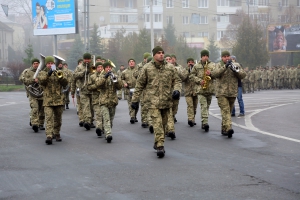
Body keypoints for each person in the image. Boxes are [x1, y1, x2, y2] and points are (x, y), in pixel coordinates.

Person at [131, 46, 181, 158]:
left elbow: (177, 80)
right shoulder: (147, 68)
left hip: (167, 101)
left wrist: (177, 90)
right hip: (153, 102)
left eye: (163, 53)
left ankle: (157, 141)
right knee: (157, 124)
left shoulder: (170, 68)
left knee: (163, 125)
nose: (161, 55)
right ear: (154, 55)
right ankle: (160, 146)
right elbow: (139, 85)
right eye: (158, 53)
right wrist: (135, 100)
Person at [210, 51, 246, 138]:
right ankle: (229, 128)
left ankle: (224, 129)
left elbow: (243, 75)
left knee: (228, 112)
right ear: (222, 58)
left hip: (232, 93)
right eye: (224, 56)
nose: (226, 58)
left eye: (228, 56)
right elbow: (214, 74)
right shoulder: (218, 65)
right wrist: (225, 67)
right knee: (225, 111)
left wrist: (235, 71)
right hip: (221, 93)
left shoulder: (235, 64)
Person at [37, 56, 68, 144]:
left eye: (52, 63)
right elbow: (41, 81)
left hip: (58, 100)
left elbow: (65, 84)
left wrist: (61, 78)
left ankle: (57, 133)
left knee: (58, 119)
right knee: (49, 118)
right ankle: (49, 135)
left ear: (54, 64)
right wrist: (49, 73)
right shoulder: (42, 73)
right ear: (46, 65)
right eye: (48, 64)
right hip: (48, 100)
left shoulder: (60, 72)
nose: (50, 65)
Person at [95, 62, 123, 143]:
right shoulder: (101, 75)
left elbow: (120, 86)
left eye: (109, 67)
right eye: (106, 67)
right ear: (104, 68)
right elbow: (97, 84)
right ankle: (108, 134)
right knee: (106, 118)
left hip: (113, 101)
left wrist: (116, 80)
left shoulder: (115, 75)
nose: (108, 68)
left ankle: (106, 129)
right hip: (104, 101)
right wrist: (105, 77)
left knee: (110, 119)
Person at [190, 50, 215, 132]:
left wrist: (211, 73)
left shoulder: (213, 65)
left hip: (210, 89)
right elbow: (191, 76)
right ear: (201, 57)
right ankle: (205, 123)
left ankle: (204, 121)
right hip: (200, 90)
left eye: (207, 55)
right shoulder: (196, 66)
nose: (205, 57)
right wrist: (199, 81)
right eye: (204, 56)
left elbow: (217, 74)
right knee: (203, 106)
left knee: (207, 107)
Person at [20, 58, 45, 132]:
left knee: (41, 109)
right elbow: (21, 79)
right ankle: (35, 124)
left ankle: (41, 123)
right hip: (32, 93)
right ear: (32, 64)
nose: (36, 65)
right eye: (34, 63)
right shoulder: (27, 71)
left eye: (37, 63)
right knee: (35, 108)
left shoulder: (42, 71)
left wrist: (40, 80)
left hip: (41, 93)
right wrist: (32, 80)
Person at [73, 53, 95, 130]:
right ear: (83, 59)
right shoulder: (79, 67)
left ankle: (91, 121)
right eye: (85, 59)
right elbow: (74, 76)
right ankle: (87, 121)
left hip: (92, 90)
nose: (87, 61)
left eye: (88, 59)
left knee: (92, 107)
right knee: (86, 107)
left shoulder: (93, 66)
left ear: (90, 59)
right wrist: (83, 73)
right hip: (83, 90)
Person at [87, 62, 104, 137]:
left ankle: (103, 128)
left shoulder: (105, 75)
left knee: (104, 114)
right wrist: (96, 86)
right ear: (96, 68)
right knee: (98, 114)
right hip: (96, 98)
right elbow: (89, 87)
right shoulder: (92, 76)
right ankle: (99, 128)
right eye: (98, 67)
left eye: (101, 67)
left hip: (105, 98)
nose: (100, 69)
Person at [121, 58, 139, 124]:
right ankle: (132, 117)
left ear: (135, 63)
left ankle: (135, 115)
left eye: (133, 61)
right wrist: (124, 83)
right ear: (128, 63)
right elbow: (121, 79)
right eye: (130, 62)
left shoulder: (138, 71)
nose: (131, 63)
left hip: (137, 90)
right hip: (128, 89)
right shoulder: (124, 72)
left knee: (136, 104)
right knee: (130, 104)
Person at [182, 58, 198, 127]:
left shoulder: (196, 70)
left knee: (194, 107)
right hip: (188, 91)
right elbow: (183, 78)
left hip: (195, 91)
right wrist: (188, 71)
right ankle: (190, 119)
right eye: (189, 62)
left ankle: (193, 119)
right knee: (190, 106)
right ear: (187, 63)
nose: (190, 63)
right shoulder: (185, 70)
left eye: (192, 62)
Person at [71, 59, 84, 126]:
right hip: (79, 89)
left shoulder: (86, 70)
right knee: (80, 105)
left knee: (86, 105)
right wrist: (72, 92)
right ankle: (81, 119)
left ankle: (88, 119)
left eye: (82, 63)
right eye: (79, 63)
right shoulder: (76, 71)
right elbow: (73, 82)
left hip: (86, 90)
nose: (80, 64)